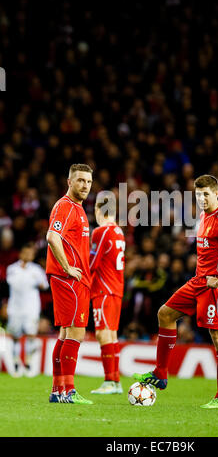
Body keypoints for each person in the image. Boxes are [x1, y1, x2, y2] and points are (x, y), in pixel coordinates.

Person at [134, 174, 218, 409]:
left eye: (206, 194)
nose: (202, 198)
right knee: (165, 314)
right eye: (198, 195)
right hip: (199, 281)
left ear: (216, 193)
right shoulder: (203, 217)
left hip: (217, 284)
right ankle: (161, 373)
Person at [46, 163, 93, 404]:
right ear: (69, 182)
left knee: (65, 333)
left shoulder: (78, 209)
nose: (84, 185)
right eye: (80, 180)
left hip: (75, 280)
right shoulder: (65, 206)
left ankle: (58, 390)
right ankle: (68, 391)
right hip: (69, 279)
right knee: (76, 332)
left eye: (88, 182)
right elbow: (52, 237)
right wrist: (67, 268)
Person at [89, 193, 125, 395]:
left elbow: (93, 264)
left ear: (97, 210)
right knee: (111, 334)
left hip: (103, 289)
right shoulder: (119, 231)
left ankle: (110, 381)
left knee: (103, 333)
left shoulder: (101, 231)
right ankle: (116, 382)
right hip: (116, 289)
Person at [6, 242, 49, 377]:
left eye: (30, 254)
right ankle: (17, 365)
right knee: (16, 336)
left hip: (31, 308)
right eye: (26, 253)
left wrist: (39, 282)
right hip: (15, 307)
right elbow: (12, 283)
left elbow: (45, 286)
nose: (28, 255)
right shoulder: (12, 268)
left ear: (33, 255)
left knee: (31, 335)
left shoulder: (37, 270)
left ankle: (30, 364)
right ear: (21, 254)